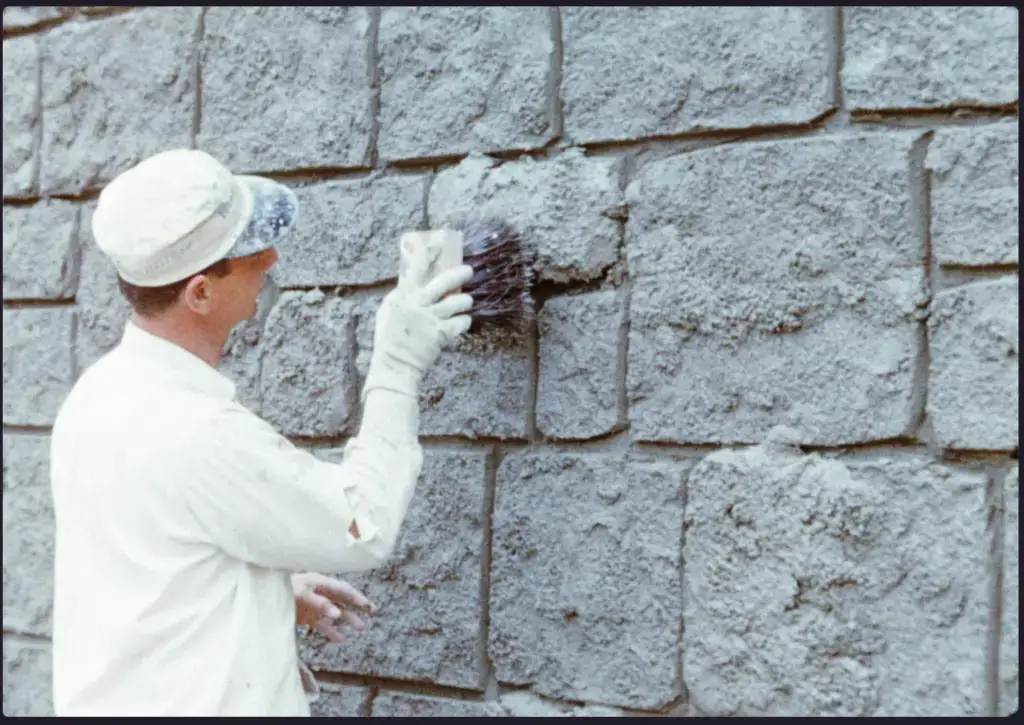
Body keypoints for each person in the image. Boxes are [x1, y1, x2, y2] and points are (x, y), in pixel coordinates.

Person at [48, 148, 475, 716]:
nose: (271, 258)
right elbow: (363, 522)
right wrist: (396, 367)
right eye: (249, 251)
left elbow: (145, 563)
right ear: (200, 293)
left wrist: (260, 594)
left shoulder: (97, 397)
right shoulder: (196, 431)